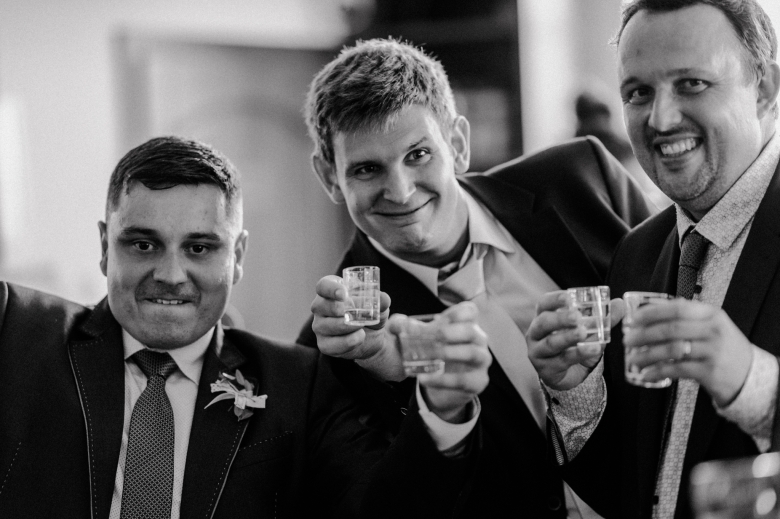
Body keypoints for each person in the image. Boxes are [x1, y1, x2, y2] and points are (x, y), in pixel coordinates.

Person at [0, 136, 491, 518]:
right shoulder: (16, 333)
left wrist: (442, 410)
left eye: (199, 248)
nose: (170, 274)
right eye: (143, 245)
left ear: (237, 256)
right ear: (105, 246)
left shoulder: (302, 386)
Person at [297, 38, 655, 518]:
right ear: (329, 177)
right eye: (366, 169)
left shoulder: (583, 180)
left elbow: (682, 302)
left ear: (458, 144)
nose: (400, 191)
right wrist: (422, 398)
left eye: (418, 154)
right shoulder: (331, 351)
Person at [526, 1, 780, 517]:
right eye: (638, 92)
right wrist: (575, 390)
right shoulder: (638, 252)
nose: (661, 119)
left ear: (766, 90)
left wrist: (754, 384)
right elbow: (636, 490)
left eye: (692, 83)